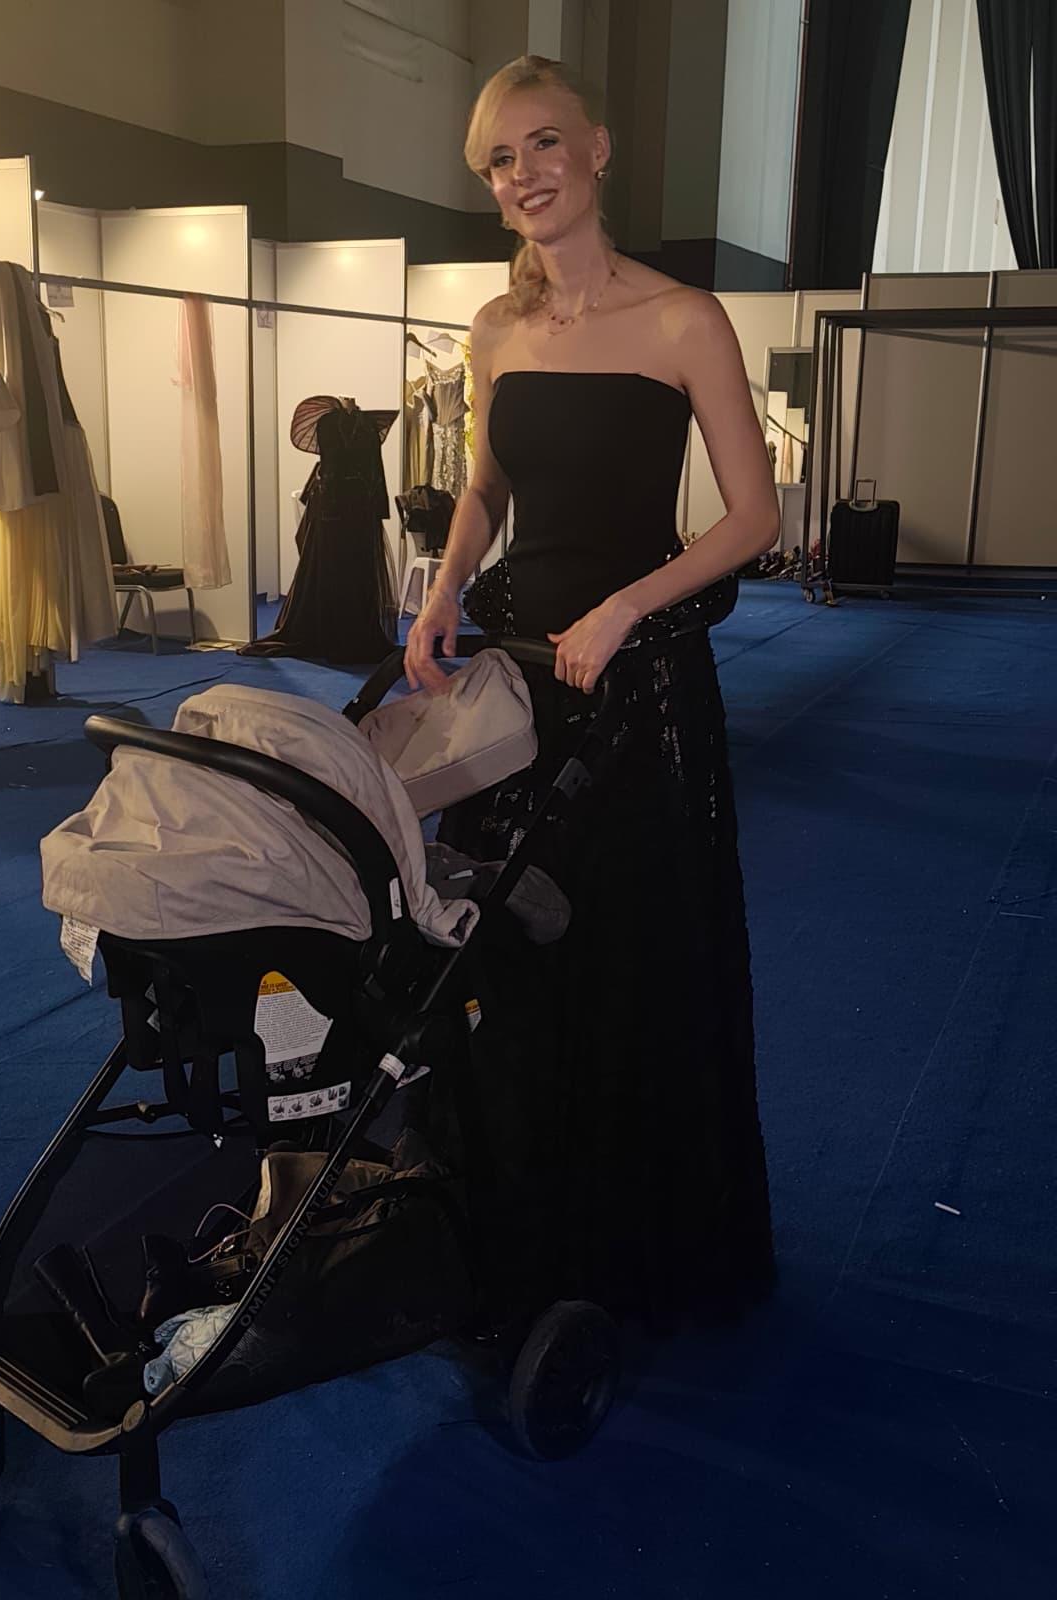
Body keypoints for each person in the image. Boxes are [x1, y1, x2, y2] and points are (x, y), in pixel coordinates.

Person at [404, 55, 780, 1333]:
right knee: (506, 952)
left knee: (631, 960)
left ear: (599, 149)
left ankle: (631, 1251)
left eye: (545, 144)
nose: (525, 176)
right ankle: (513, 1231)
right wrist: (444, 587)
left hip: (640, 688)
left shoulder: (685, 320)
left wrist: (626, 607)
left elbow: (756, 519)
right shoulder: (494, 329)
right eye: (500, 160)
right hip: (516, 684)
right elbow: (485, 488)